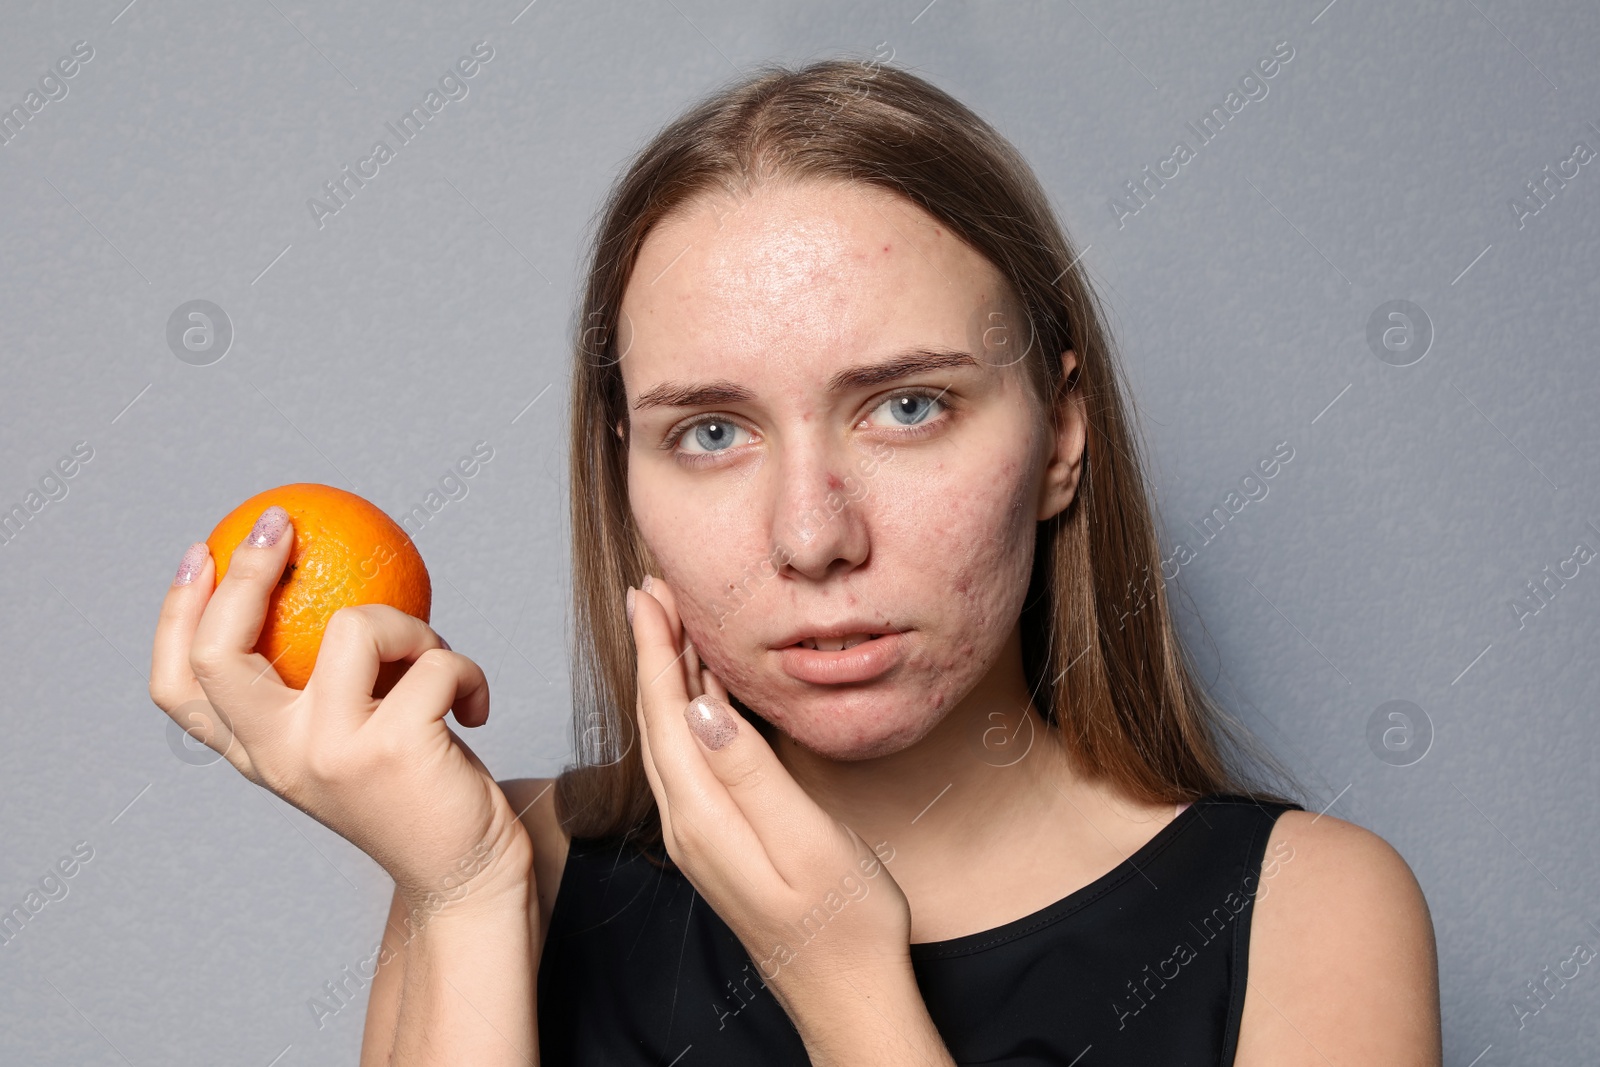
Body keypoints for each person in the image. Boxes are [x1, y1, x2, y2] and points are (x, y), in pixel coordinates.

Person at [150, 57, 1441, 1065]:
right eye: (712, 433)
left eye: (908, 407)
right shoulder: (501, 861)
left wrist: (854, 1004)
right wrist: (464, 900)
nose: (814, 536)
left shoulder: (1304, 917)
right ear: (626, 476)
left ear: (1061, 436)